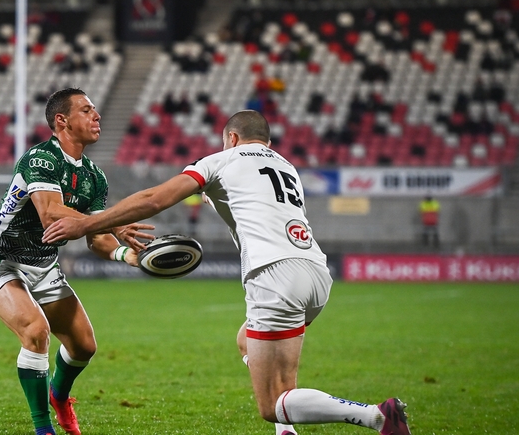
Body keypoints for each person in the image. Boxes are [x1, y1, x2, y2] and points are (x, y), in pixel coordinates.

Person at [42, 110, 411, 435]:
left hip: (274, 276)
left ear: (231, 139)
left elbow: (154, 199)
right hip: (315, 272)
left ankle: (377, 417)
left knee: (272, 403)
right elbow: (252, 198)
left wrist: (86, 225)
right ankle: (288, 431)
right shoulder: (285, 165)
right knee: (247, 343)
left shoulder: (222, 159)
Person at [0, 88, 152, 435]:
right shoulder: (40, 158)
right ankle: (43, 427)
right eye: (86, 110)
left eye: (95, 109)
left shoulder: (95, 176)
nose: (96, 116)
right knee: (36, 332)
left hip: (44, 266)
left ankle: (59, 396)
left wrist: (125, 254)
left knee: (84, 346)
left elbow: (96, 238)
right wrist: (116, 220)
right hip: (0, 261)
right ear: (61, 121)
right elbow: (52, 214)